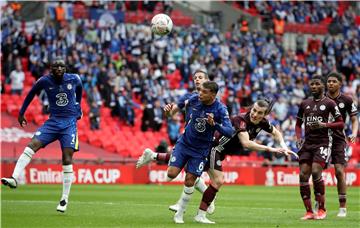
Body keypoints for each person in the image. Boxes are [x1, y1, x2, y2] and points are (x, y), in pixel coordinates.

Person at [137, 99, 295, 223]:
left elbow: (277, 133)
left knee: (189, 169)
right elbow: (246, 144)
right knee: (217, 180)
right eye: (254, 110)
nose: (255, 114)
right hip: (214, 149)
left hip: (218, 151)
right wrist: (271, 149)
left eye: (259, 113)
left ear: (264, 114)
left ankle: (153, 156)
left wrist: (283, 145)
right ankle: (200, 213)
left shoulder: (263, 123)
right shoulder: (241, 120)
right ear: (251, 108)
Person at [1, 58, 83, 213]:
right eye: (56, 66)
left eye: (62, 66)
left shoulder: (74, 78)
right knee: (32, 145)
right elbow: (31, 94)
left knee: (67, 158)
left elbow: (79, 88)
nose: (59, 68)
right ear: (51, 69)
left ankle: (64, 199)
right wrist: (21, 112)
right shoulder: (44, 81)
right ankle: (14, 178)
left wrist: (78, 105)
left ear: (65, 69)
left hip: (69, 123)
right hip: (53, 122)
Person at [164, 81, 234, 224]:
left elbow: (230, 131)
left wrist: (214, 125)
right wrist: (167, 112)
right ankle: (200, 188)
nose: (200, 93)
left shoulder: (220, 109)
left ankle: (180, 214)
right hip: (184, 143)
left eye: (204, 92)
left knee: (189, 179)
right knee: (171, 174)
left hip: (201, 150)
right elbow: (172, 113)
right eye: (200, 91)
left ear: (213, 95)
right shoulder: (194, 98)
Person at [295, 75, 344, 220]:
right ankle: (309, 211)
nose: (314, 86)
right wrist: (298, 138)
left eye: (317, 84)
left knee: (316, 171)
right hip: (307, 143)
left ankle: (322, 209)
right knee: (303, 174)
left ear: (323, 86)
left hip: (323, 142)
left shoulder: (329, 103)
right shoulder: (304, 103)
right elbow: (298, 124)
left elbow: (340, 123)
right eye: (312, 84)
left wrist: (324, 125)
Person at [323, 72, 358, 217]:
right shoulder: (320, 99)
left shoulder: (347, 100)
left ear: (340, 84)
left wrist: (354, 133)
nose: (330, 83)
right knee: (316, 171)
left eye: (333, 81)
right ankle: (319, 203)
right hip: (321, 139)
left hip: (338, 139)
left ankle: (342, 207)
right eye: (328, 81)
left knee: (339, 171)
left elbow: (354, 119)